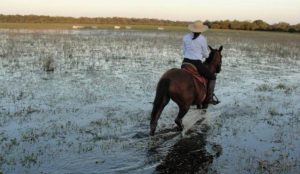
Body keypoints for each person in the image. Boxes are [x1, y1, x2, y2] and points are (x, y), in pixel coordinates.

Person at [182, 20, 219, 108]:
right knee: (212, 77)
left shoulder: (185, 37)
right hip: (196, 63)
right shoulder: (202, 39)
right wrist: (201, 55)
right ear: (201, 30)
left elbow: (184, 51)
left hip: (185, 62)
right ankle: (209, 98)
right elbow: (206, 54)